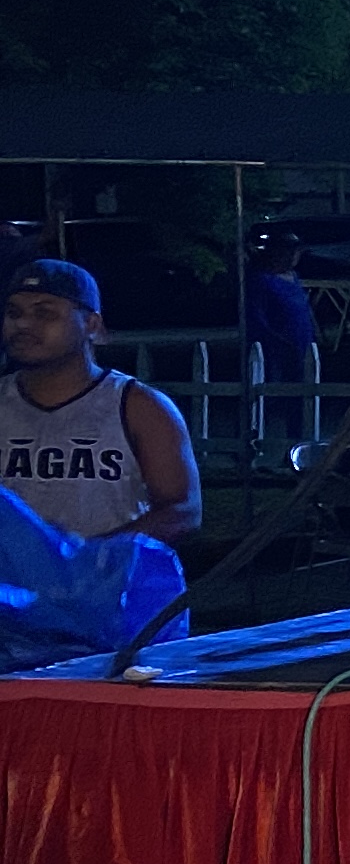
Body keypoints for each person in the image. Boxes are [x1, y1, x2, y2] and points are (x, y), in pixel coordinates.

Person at [0, 257, 197, 670]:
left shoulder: (137, 406)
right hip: (10, 620)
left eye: (44, 313)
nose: (23, 325)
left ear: (92, 325)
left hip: (108, 620)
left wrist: (87, 564)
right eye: (14, 312)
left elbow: (182, 509)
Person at [242, 228, 320, 449]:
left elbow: (303, 310)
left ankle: (295, 447)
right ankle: (253, 448)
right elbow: (257, 318)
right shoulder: (261, 280)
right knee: (268, 399)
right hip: (275, 350)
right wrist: (276, 342)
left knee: (300, 400)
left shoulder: (293, 277)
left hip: (302, 346)